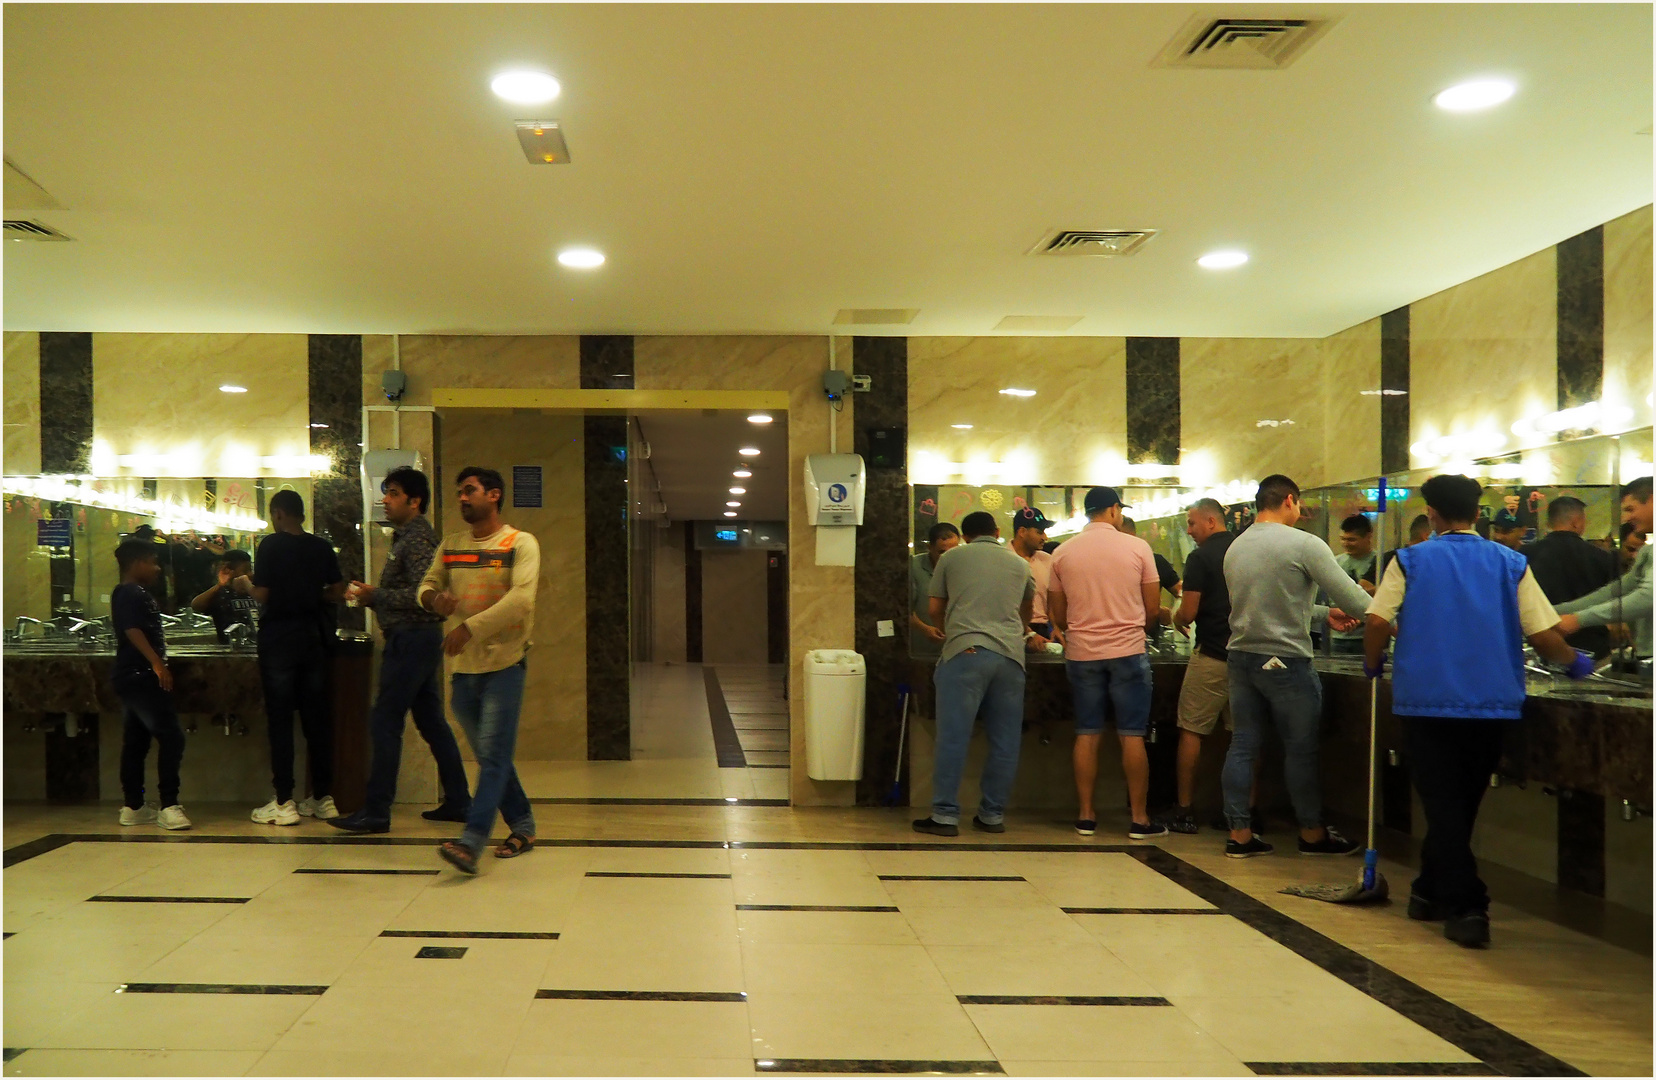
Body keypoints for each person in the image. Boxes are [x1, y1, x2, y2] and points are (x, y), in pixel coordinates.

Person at [1364, 473, 1595, 948]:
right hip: (1491, 705)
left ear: (1431, 514)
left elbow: (1376, 619)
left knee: (1444, 805)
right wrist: (1575, 663)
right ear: (1477, 513)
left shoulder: (1408, 560)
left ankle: (1469, 905)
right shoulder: (1511, 562)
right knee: (1460, 803)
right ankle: (1428, 892)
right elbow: (1543, 634)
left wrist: (1373, 662)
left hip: (1425, 702)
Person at [1220, 474, 1370, 859]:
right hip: (1285, 661)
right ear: (1290, 500)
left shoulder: (1236, 547)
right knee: (1300, 750)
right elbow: (1355, 600)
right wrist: (1392, 619)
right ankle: (1312, 834)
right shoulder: (1304, 544)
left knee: (1242, 746)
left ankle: (1238, 834)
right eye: (1299, 505)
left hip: (1241, 658)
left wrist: (1322, 613)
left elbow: (1267, 603)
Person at [329, 467, 472, 834]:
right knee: (431, 722)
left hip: (412, 640)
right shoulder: (405, 538)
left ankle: (376, 810)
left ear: (415, 501)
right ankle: (458, 800)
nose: (385, 501)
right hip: (415, 639)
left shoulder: (419, 539)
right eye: (385, 493)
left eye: (392, 493)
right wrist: (372, 598)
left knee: (385, 721)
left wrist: (376, 595)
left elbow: (426, 597)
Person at [420, 466, 542, 875]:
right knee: (493, 756)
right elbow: (427, 584)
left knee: (491, 759)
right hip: (464, 670)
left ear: (493, 495)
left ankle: (471, 842)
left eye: (469, 490)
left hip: (505, 665)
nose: (461, 498)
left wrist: (470, 627)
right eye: (459, 492)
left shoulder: (519, 543)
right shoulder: (451, 545)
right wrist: (434, 599)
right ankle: (522, 824)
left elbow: (522, 600)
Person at [1048, 486, 1166, 840]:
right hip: (1128, 652)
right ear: (1114, 510)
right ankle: (1140, 819)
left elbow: (1059, 615)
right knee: (1132, 735)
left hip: (1082, 654)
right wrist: (1131, 628)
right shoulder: (1138, 547)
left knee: (1087, 732)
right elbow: (1153, 608)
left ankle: (1086, 816)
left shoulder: (1062, 553)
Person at [913, 511, 1035, 837]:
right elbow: (1028, 613)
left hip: (965, 652)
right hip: (1010, 658)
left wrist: (951, 631)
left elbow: (935, 609)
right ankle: (991, 815)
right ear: (997, 532)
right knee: (1005, 741)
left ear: (965, 536)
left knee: (954, 737)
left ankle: (945, 815)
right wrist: (1014, 630)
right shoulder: (1020, 564)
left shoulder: (951, 558)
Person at [250, 489, 347, 826]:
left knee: (280, 722)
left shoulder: (271, 545)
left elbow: (262, 593)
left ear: (278, 514)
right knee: (316, 722)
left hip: (278, 641)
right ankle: (323, 798)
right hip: (313, 641)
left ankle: (284, 802)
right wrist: (312, 594)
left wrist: (243, 586)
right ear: (300, 513)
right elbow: (337, 590)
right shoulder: (320, 547)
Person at [1168, 498, 1258, 835]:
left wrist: (1176, 618)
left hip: (1211, 657)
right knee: (1245, 737)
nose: (1189, 531)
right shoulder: (1245, 550)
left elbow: (1188, 612)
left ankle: (1185, 810)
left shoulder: (1200, 557)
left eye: (1192, 524)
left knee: (1191, 729)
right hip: (1246, 657)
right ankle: (1245, 811)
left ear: (1210, 521)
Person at [110, 539, 191, 831]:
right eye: (153, 561)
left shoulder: (130, 592)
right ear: (137, 563)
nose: (157, 568)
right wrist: (156, 663)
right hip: (142, 676)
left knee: (136, 741)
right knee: (171, 738)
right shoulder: (131, 593)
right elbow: (132, 629)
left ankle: (133, 806)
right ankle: (169, 805)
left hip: (130, 676)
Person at [1557, 476, 1653, 665]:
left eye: (1630, 509)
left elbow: (1649, 596)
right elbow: (1616, 591)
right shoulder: (1649, 551)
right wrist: (1551, 613)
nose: (1627, 518)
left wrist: (1578, 620)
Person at [1522, 496, 1619, 657]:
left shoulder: (1524, 556)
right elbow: (1614, 601)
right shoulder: (1602, 557)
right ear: (1576, 522)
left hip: (1542, 645)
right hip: (1592, 645)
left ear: (1549, 523)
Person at [1327, 514, 1378, 655]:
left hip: (1369, 636)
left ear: (1368, 537)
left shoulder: (1380, 562)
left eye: (1352, 540)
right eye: (1343, 539)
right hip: (1339, 637)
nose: (1346, 543)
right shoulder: (1334, 562)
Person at [910, 522, 962, 658]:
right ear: (929, 547)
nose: (948, 558)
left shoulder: (964, 568)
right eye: (942, 552)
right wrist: (924, 628)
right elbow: (903, 609)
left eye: (953, 551)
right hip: (922, 649)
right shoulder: (913, 567)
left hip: (955, 649)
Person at [1010, 507, 1060, 646]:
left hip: (1043, 630)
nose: (1045, 538)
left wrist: (1056, 627)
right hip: (1010, 631)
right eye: (1039, 532)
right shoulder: (1002, 559)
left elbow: (1051, 600)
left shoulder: (1047, 560)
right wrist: (1028, 632)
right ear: (1022, 532)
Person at [190, 548, 258, 641]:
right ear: (229, 571)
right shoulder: (221, 594)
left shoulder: (255, 591)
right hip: (231, 648)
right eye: (245, 571)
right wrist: (219, 585)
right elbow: (196, 605)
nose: (250, 574)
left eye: (251, 569)